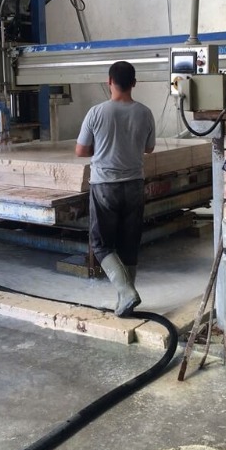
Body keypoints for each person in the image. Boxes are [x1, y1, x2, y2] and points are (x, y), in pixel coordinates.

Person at [76, 61, 156, 317]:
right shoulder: (145, 113)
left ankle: (127, 292)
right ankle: (125, 302)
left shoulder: (96, 112)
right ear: (134, 83)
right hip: (134, 185)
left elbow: (81, 150)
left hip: (104, 186)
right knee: (129, 243)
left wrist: (102, 146)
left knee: (101, 244)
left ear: (109, 81)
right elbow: (149, 148)